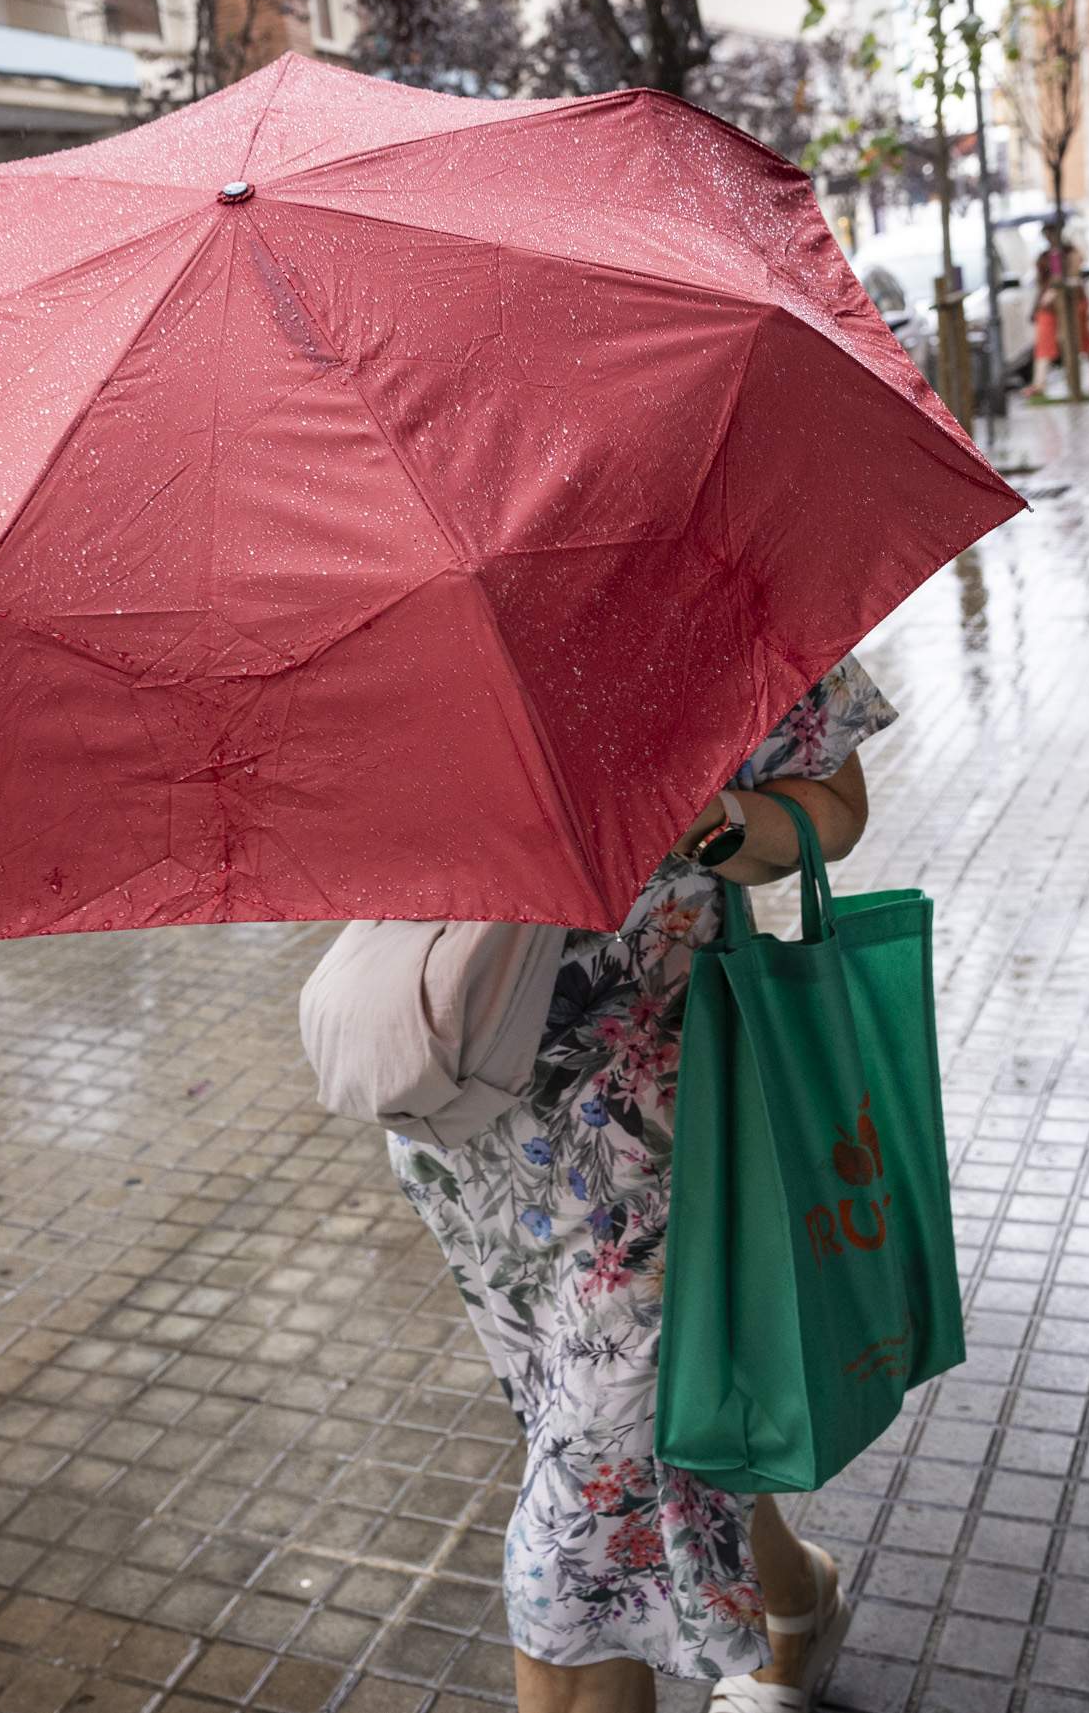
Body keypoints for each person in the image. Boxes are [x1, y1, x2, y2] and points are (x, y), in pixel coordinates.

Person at [393, 655, 896, 1712]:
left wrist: (700, 819)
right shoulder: (355, 602)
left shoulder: (700, 574)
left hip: (660, 1130)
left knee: (574, 1537)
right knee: (660, 1435)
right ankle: (796, 1610)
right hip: (471, 1140)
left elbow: (834, 810)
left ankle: (775, 1619)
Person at [1031, 218, 1089, 398]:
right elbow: (1042, 284)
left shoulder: (1070, 252)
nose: (1049, 237)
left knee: (1082, 338)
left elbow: (1072, 275)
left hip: (1071, 301)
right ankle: (1039, 383)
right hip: (1049, 305)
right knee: (1045, 341)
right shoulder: (1045, 256)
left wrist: (1056, 288)